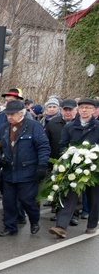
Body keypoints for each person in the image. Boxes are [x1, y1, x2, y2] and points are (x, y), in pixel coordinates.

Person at [0, 100, 50, 236]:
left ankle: (34, 220)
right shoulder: (4, 128)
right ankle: (10, 227)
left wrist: (42, 165)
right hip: (9, 171)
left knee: (27, 200)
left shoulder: (33, 127)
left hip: (27, 171)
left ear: (21, 113)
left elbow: (43, 147)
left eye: (13, 114)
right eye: (8, 114)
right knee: (9, 202)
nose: (10, 117)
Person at [49, 98, 99, 238]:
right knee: (69, 195)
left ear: (94, 110)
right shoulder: (70, 127)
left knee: (94, 197)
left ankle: (92, 224)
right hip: (73, 167)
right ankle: (61, 226)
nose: (85, 110)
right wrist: (69, 155)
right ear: (78, 109)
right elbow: (62, 145)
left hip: (94, 168)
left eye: (88, 108)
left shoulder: (98, 126)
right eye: (82, 107)